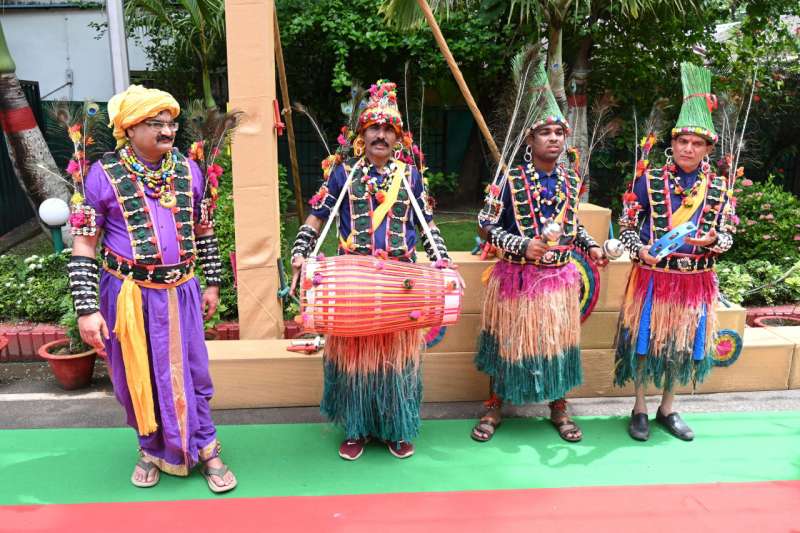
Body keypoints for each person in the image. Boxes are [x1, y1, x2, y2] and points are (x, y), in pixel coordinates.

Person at [68, 85, 236, 492]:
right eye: (156, 123)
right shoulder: (102, 175)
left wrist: (213, 283)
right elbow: (85, 244)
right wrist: (87, 308)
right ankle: (150, 448)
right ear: (129, 128)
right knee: (136, 375)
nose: (168, 130)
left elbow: (204, 231)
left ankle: (206, 448)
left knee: (194, 372)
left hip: (182, 293)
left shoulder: (189, 170)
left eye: (171, 122)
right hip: (128, 296)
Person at [290, 80, 452, 460]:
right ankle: (356, 427)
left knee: (398, 360)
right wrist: (300, 251)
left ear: (398, 137)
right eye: (374, 127)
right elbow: (318, 217)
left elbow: (427, 226)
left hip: (401, 283)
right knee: (355, 359)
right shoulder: (343, 173)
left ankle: (396, 427)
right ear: (362, 134)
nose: (381, 135)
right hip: (355, 282)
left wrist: (443, 262)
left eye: (388, 128)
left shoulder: (410, 176)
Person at [472, 63, 607, 443]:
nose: (553, 139)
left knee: (557, 343)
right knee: (507, 342)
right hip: (516, 280)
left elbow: (572, 226)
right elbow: (484, 226)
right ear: (530, 139)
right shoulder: (510, 179)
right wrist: (521, 245)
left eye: (559, 133)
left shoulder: (570, 180)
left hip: (559, 280)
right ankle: (494, 405)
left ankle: (558, 406)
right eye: (545, 132)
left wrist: (591, 246)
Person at [615, 63, 735, 441]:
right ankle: (639, 407)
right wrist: (640, 250)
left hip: (695, 281)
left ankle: (668, 406)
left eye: (696, 143)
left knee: (680, 345)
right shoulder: (648, 180)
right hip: (653, 276)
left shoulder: (719, 188)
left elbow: (729, 235)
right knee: (644, 342)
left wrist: (713, 241)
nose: (688, 148)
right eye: (682, 141)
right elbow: (626, 226)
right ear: (673, 143)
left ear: (707, 149)